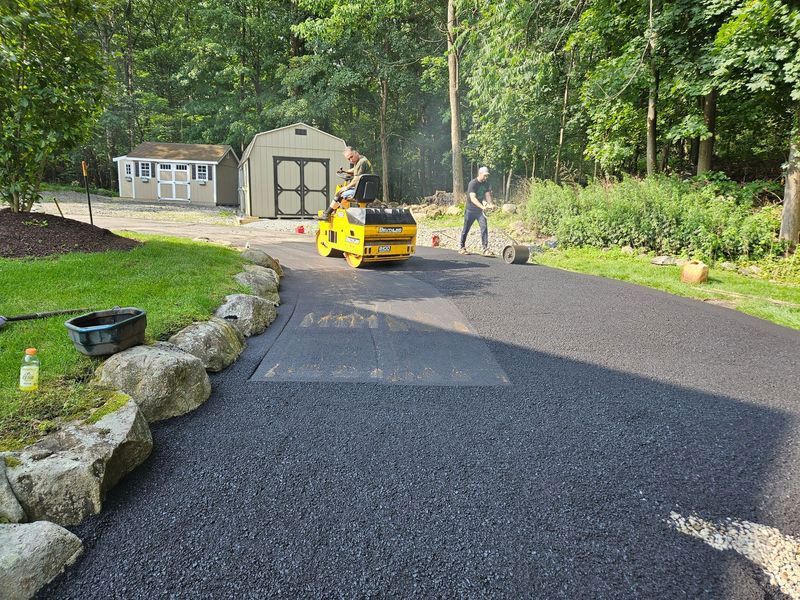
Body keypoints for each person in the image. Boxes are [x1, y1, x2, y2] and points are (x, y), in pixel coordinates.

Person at [316, 146, 373, 220]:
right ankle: (329, 213)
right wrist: (345, 171)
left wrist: (346, 187)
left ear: (356, 152)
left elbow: (356, 180)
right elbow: (355, 170)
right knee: (342, 191)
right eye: (348, 159)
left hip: (361, 191)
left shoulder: (361, 163)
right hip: (366, 189)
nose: (351, 160)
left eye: (351, 157)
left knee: (339, 193)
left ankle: (327, 214)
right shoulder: (362, 159)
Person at [459, 166, 494, 256]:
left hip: (480, 212)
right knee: (466, 229)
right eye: (485, 175)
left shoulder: (486, 183)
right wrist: (483, 207)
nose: (486, 177)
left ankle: (485, 248)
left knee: (484, 227)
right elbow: (473, 198)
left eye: (487, 176)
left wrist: (490, 204)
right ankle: (462, 247)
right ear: (480, 174)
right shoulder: (473, 183)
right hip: (470, 210)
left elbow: (487, 195)